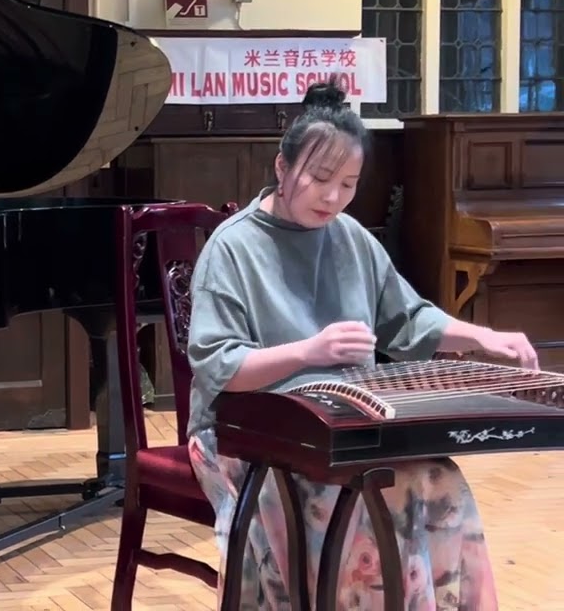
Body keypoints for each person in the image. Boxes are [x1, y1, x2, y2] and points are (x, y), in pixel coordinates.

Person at [185, 85, 537, 609]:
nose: (332, 197)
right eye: (320, 179)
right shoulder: (233, 248)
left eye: (348, 183)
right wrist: (310, 351)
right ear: (282, 168)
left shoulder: (351, 237)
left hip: (344, 427)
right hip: (244, 433)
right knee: (360, 501)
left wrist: (484, 336)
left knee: (440, 481)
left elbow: (409, 318)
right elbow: (220, 365)